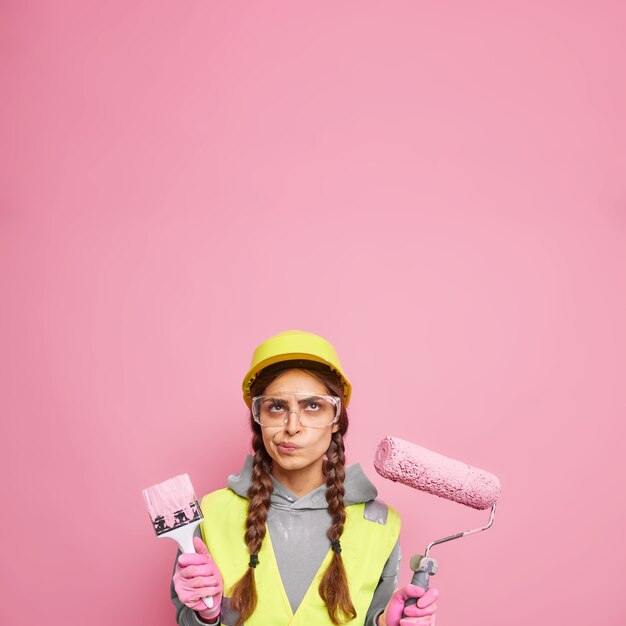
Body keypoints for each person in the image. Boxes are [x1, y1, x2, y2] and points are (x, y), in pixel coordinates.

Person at [170, 330, 439, 626]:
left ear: (336, 419)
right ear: (258, 418)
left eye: (313, 406)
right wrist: (205, 614)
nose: (292, 426)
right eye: (276, 407)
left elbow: (370, 617)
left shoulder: (380, 523)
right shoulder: (209, 513)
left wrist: (386, 622)